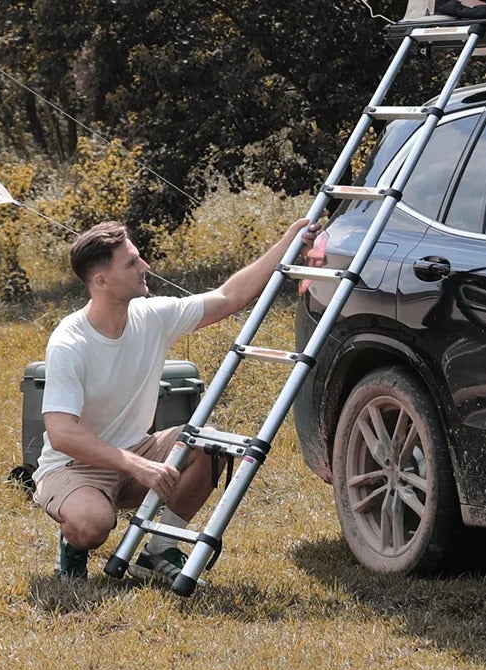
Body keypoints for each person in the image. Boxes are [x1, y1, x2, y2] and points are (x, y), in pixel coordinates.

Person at [36, 216, 309, 580]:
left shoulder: (152, 317)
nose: (144, 266)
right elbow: (62, 435)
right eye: (132, 263)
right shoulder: (71, 342)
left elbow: (230, 296)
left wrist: (288, 241)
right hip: (73, 467)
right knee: (91, 524)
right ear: (101, 280)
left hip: (137, 451)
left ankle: (159, 549)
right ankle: (73, 546)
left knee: (209, 442)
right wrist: (136, 465)